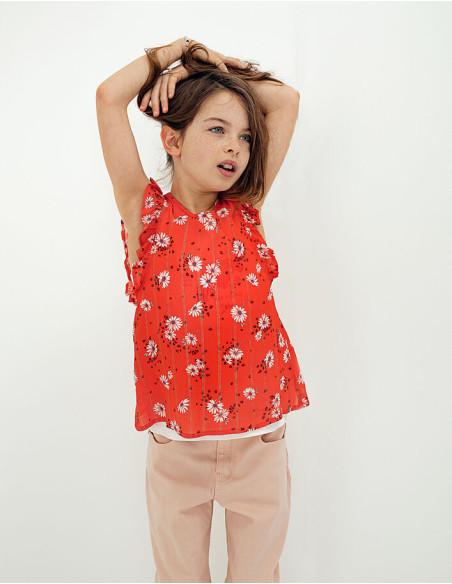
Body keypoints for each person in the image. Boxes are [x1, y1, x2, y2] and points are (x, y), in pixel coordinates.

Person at [96, 36, 310, 583]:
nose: (235, 147)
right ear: (172, 138)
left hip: (258, 440)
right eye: (216, 130)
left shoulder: (246, 210)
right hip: (177, 449)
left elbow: (284, 100)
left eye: (244, 136)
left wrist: (208, 67)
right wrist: (177, 51)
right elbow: (108, 97)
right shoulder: (144, 215)